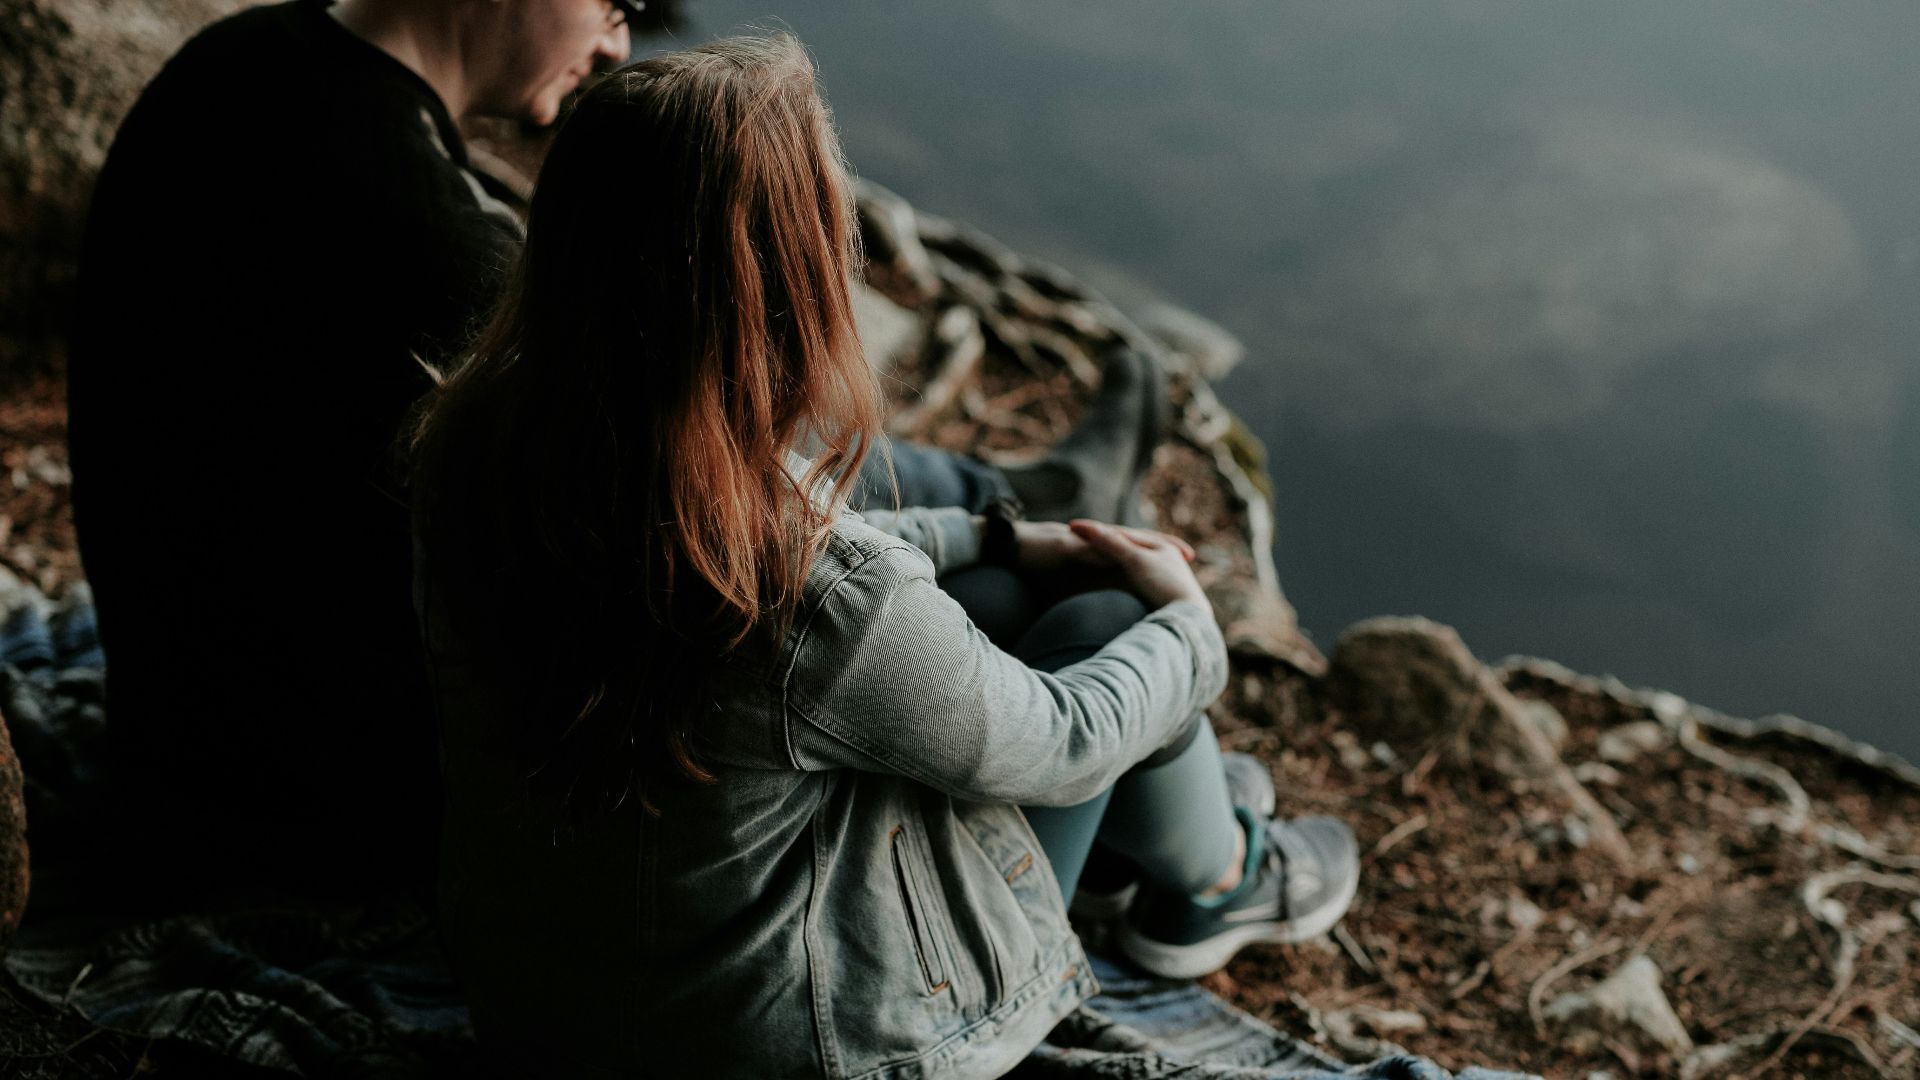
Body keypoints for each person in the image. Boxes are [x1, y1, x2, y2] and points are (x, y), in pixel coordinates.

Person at [409, 35, 1359, 1078]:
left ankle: (1191, 847)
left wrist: (987, 536)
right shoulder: (810, 598)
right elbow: (1063, 739)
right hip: (805, 1049)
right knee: (1108, 622)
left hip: (560, 1006)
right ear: (786, 282)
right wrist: (1187, 620)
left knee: (1002, 586)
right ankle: (1220, 878)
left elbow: (803, 584)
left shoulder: (479, 459)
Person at [66, 0, 1155, 900]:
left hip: (180, 722)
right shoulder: (444, 260)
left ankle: (1010, 498)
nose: (620, 42)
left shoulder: (246, 66)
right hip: (348, 809)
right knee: (974, 591)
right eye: (612, 3)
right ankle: (1044, 550)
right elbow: (725, 503)